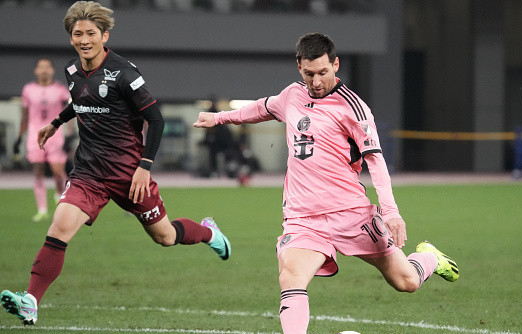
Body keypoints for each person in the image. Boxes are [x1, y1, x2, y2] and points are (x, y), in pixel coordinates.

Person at [193, 32, 459, 334]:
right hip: (303, 218)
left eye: (322, 72)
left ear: (336, 65)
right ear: (299, 67)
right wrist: (219, 119)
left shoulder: (354, 109)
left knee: (406, 282)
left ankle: (428, 258)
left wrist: (391, 211)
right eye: (309, 74)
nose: (316, 81)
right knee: (290, 277)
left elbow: (375, 161)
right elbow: (261, 108)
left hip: (351, 214)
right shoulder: (292, 95)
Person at [0, 1, 230, 326]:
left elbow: (156, 120)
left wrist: (144, 166)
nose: (84, 39)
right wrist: (54, 123)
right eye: (77, 34)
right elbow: (81, 100)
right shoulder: (70, 70)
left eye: (90, 33)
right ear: (71, 38)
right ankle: (31, 302)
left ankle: (209, 234)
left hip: (130, 174)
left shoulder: (124, 73)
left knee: (164, 237)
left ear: (104, 35)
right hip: (89, 174)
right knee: (59, 227)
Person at [14, 57, 71, 222]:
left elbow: (70, 113)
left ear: (53, 70)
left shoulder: (61, 90)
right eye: (41, 67)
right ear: (36, 70)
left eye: (47, 67)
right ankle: (42, 209)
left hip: (55, 135)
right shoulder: (28, 90)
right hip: (34, 135)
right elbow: (25, 115)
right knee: (38, 171)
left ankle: (59, 195)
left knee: (58, 172)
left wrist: (69, 134)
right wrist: (18, 138)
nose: (44, 70)